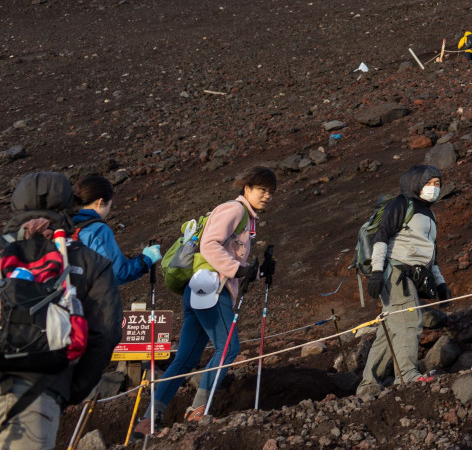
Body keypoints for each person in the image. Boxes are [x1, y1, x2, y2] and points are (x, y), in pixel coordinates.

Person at [146, 167, 275, 428]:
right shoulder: (235, 210)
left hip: (199, 289)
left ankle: (150, 418)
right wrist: (241, 269)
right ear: (247, 189)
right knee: (228, 348)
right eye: (262, 190)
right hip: (211, 289)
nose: (267, 196)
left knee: (185, 359)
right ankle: (197, 410)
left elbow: (227, 258)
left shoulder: (243, 217)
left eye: (271, 192)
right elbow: (210, 245)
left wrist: (258, 272)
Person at [0, 172, 121, 450]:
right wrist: (68, 390)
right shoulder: (89, 262)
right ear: (69, 206)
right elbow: (106, 332)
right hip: (41, 392)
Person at [358, 166, 451, 397]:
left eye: (438, 184)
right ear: (416, 183)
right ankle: (407, 376)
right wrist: (377, 271)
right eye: (430, 182)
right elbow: (382, 236)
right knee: (410, 321)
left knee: (389, 330)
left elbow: (430, 255)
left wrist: (441, 284)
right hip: (396, 272)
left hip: (412, 274)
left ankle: (368, 384)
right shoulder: (402, 204)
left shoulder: (430, 214)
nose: (435, 188)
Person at [71, 175, 162, 286]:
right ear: (100, 202)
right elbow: (116, 274)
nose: (108, 211)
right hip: (87, 300)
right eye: (109, 205)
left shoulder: (62, 222)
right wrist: (146, 260)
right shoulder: (98, 230)